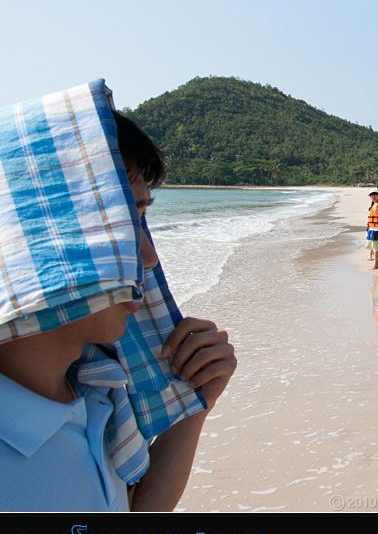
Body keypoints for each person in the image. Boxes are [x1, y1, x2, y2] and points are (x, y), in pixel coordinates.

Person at [0, 100, 237, 511]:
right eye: (120, 224)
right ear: (39, 235)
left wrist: (198, 402)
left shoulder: (98, 391)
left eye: (141, 221)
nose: (148, 257)